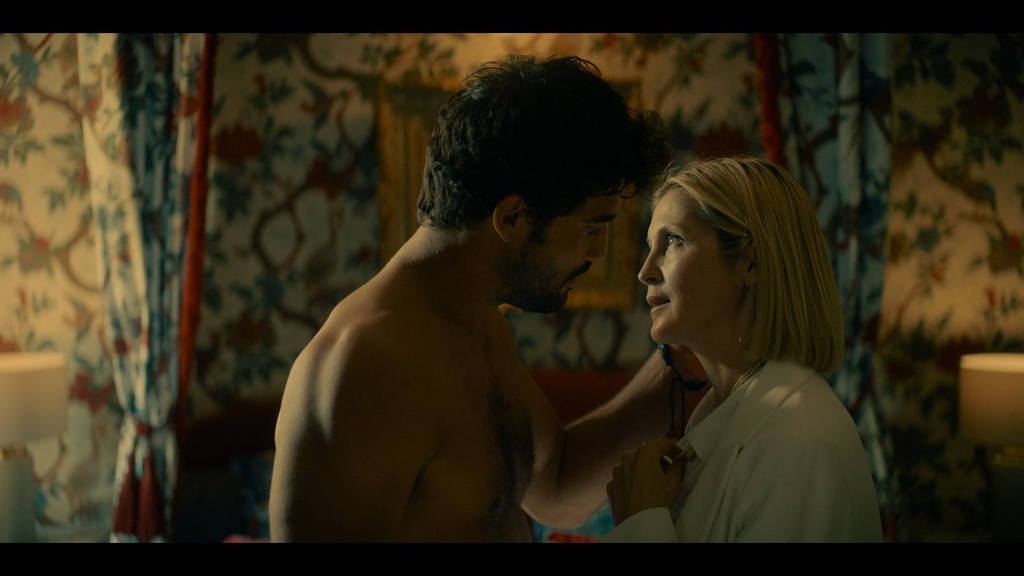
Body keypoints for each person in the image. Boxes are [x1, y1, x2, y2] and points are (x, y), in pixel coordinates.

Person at [269, 53, 676, 542]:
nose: (600, 252)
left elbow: (555, 486)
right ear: (512, 218)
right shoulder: (366, 364)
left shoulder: (476, 323)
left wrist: (680, 354)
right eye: (592, 227)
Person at [601, 156, 884, 543]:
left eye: (674, 241)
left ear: (750, 262)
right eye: (651, 245)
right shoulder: (723, 417)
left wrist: (640, 520)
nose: (645, 270)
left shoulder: (799, 446)